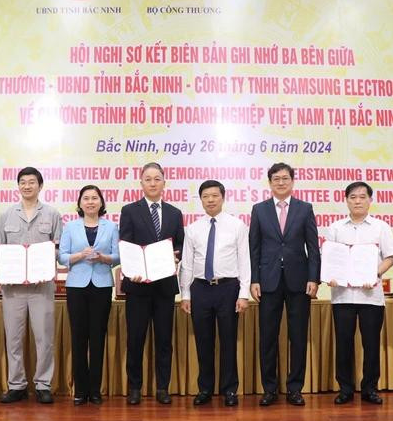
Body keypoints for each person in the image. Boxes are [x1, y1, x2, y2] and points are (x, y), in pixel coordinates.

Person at [249, 162, 320, 406]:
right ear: (270, 183)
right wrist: (254, 280)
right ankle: (269, 389)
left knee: (298, 336)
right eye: (276, 179)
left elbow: (313, 247)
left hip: (299, 281)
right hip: (268, 281)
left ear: (292, 181)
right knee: (267, 337)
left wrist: (314, 278)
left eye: (285, 178)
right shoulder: (259, 210)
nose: (281, 182)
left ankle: (294, 388)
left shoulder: (304, 208)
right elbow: (254, 248)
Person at [325, 181, 393, 405]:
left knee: (371, 343)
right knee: (344, 343)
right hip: (343, 296)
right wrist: (331, 275)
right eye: (353, 197)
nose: (357, 201)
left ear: (370, 200)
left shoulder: (381, 227)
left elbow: (390, 257)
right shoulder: (336, 227)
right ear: (346, 200)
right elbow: (329, 259)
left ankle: (370, 388)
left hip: (371, 298)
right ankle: (345, 389)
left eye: (362, 197)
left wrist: (374, 273)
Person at [179, 180, 250, 407]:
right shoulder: (192, 228)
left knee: (229, 341)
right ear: (200, 200)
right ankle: (205, 389)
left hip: (228, 288)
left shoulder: (237, 226)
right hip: (200, 289)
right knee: (203, 341)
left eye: (214, 196)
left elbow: (244, 261)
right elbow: (187, 265)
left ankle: (230, 390)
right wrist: (186, 295)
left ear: (223, 197)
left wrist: (244, 293)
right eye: (206, 196)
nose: (210, 200)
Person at [119, 162, 184, 405]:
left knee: (164, 339)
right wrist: (131, 269)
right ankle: (135, 388)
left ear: (164, 182)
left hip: (165, 286)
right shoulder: (129, 210)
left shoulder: (175, 213)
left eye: (157, 179)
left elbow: (179, 244)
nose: (153, 183)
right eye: (148, 179)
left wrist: (176, 255)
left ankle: (162, 388)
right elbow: (125, 244)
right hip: (138, 287)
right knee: (136, 339)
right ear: (141, 182)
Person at [0, 167, 62, 404]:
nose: (27, 186)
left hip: (41, 287)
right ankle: (16, 385)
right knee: (13, 338)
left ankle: (43, 384)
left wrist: (42, 260)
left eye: (31, 182)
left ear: (40, 186)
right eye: (22, 182)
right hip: (13, 288)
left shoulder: (52, 214)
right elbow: (0, 249)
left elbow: (58, 249)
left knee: (44, 338)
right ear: (18, 186)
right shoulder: (5, 215)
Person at [58, 185, 120, 405]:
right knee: (78, 336)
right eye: (86, 198)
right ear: (80, 203)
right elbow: (62, 257)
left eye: (95, 198)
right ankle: (80, 390)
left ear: (101, 203)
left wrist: (104, 258)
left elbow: (118, 256)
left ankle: (95, 390)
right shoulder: (70, 227)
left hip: (102, 285)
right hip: (76, 286)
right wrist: (79, 255)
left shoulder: (111, 227)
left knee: (97, 336)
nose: (91, 202)